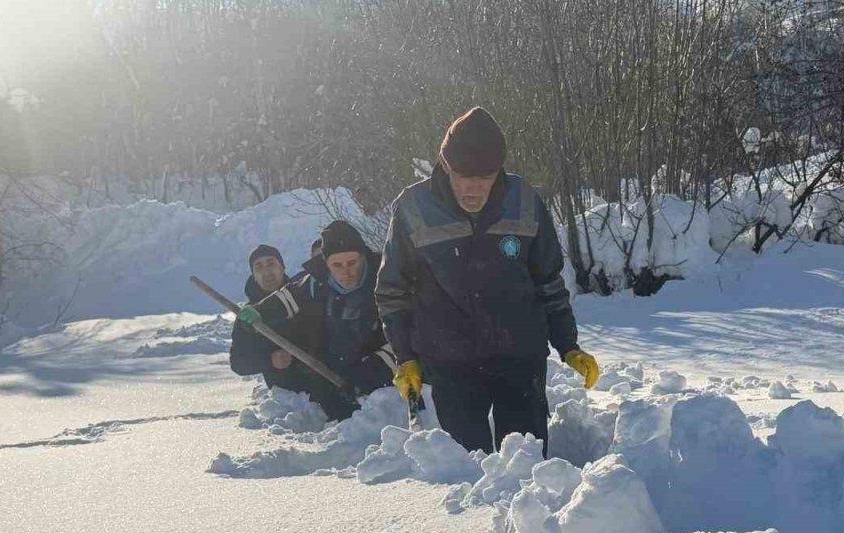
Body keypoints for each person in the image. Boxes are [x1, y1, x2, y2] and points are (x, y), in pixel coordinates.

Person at [375, 106, 600, 454]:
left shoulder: (524, 200)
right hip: (450, 360)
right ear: (445, 165)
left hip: (520, 355)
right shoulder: (413, 207)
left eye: (486, 176)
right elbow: (393, 290)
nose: (475, 187)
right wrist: (404, 355)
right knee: (467, 467)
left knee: (525, 462)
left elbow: (548, 281)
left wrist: (567, 344)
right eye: (464, 175)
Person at [235, 221, 396, 419]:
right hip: (335, 375)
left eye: (352, 263)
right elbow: (286, 299)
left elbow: (406, 335)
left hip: (387, 379)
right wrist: (260, 312)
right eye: (337, 265)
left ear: (363, 257)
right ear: (326, 264)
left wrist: (373, 370)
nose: (347, 272)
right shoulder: (315, 282)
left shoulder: (387, 280)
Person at [230, 244, 311, 392]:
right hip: (285, 398)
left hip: (323, 385)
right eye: (258, 267)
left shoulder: (303, 295)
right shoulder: (249, 315)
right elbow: (238, 363)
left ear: (282, 267)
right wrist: (269, 360)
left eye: (271, 263)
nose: (266, 271)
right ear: (254, 276)